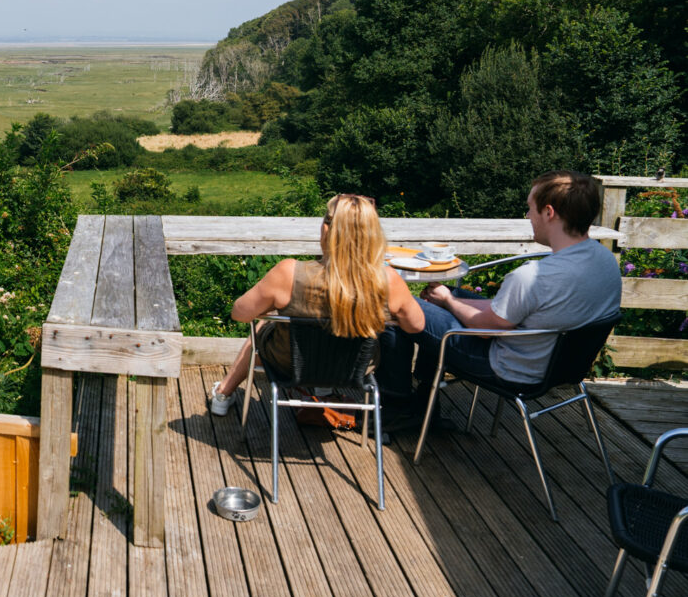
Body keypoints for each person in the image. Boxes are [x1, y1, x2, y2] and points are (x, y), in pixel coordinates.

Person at [376, 170, 621, 430]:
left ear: (549, 212)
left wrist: (448, 301)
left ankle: (398, 409)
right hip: (558, 365)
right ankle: (425, 405)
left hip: (509, 368)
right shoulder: (604, 261)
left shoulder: (534, 276)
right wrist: (450, 298)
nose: (527, 217)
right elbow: (508, 314)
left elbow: (486, 329)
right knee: (448, 296)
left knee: (404, 308)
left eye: (530, 209)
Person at [209, 193, 425, 416]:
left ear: (327, 230)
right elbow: (416, 326)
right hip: (355, 367)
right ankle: (323, 390)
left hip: (290, 363)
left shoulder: (289, 273)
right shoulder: (388, 280)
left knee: (263, 325)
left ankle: (223, 393)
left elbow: (240, 313)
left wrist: (273, 307)